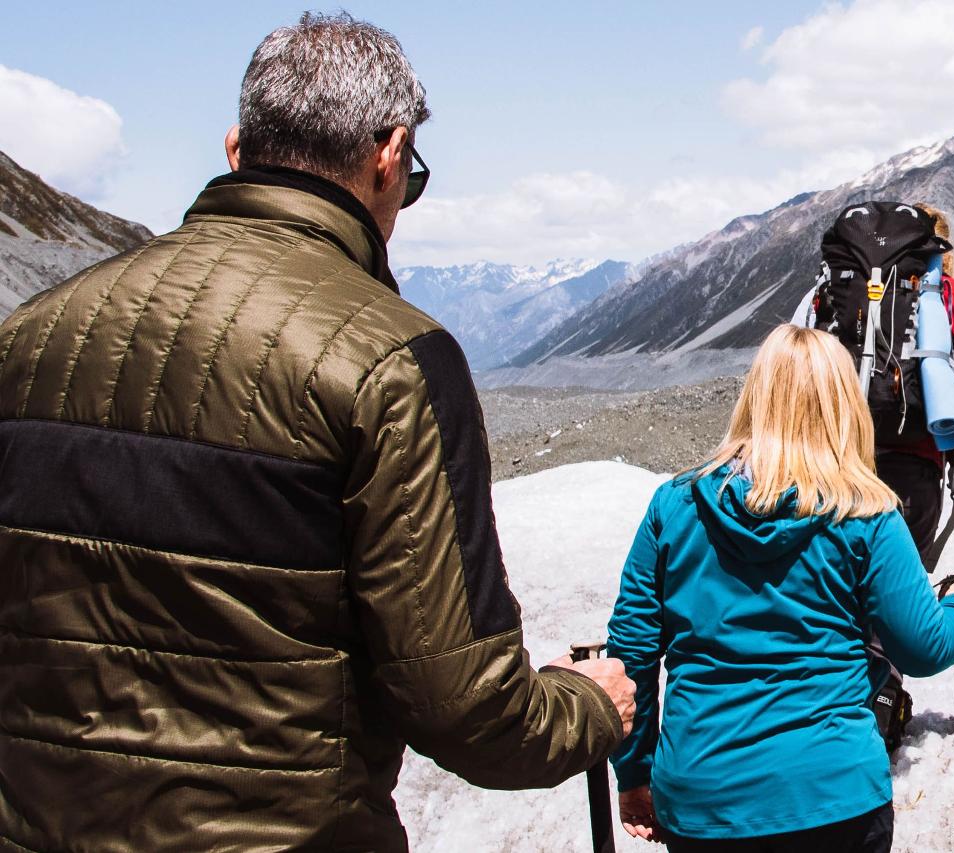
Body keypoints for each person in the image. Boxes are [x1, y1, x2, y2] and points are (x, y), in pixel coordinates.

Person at [0, 13, 633, 851]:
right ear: (389, 155)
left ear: (236, 149)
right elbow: (468, 708)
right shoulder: (394, 359)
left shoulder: (30, 335)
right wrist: (590, 702)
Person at [607, 325, 954, 852]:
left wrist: (634, 772)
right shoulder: (865, 512)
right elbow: (923, 646)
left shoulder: (674, 506)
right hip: (834, 795)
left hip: (702, 800)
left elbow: (632, 653)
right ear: (843, 404)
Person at [791, 203, 954, 553]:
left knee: (818, 597)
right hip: (908, 486)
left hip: (820, 473)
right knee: (899, 602)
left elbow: (783, 374)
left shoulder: (831, 288)